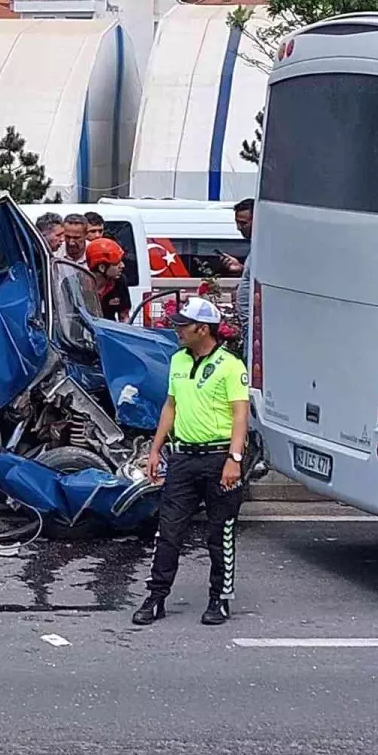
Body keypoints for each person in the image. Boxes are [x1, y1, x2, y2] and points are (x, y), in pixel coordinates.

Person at [133, 296, 250, 628]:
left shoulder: (230, 365)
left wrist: (234, 459)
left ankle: (220, 598)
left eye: (183, 325)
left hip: (218, 458)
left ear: (203, 328)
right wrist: (155, 450)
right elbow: (170, 406)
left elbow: (241, 415)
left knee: (220, 533)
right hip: (183, 457)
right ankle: (156, 597)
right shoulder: (178, 361)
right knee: (168, 531)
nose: (178, 330)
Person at [225, 198, 255, 342]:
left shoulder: (265, 247)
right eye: (237, 222)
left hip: (255, 326)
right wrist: (241, 269)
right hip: (248, 325)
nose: (238, 228)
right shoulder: (254, 248)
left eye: (243, 223)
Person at [86, 237, 131, 322]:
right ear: (102, 268)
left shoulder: (120, 281)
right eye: (117, 263)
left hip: (109, 331)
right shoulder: (77, 284)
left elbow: (124, 316)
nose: (122, 265)